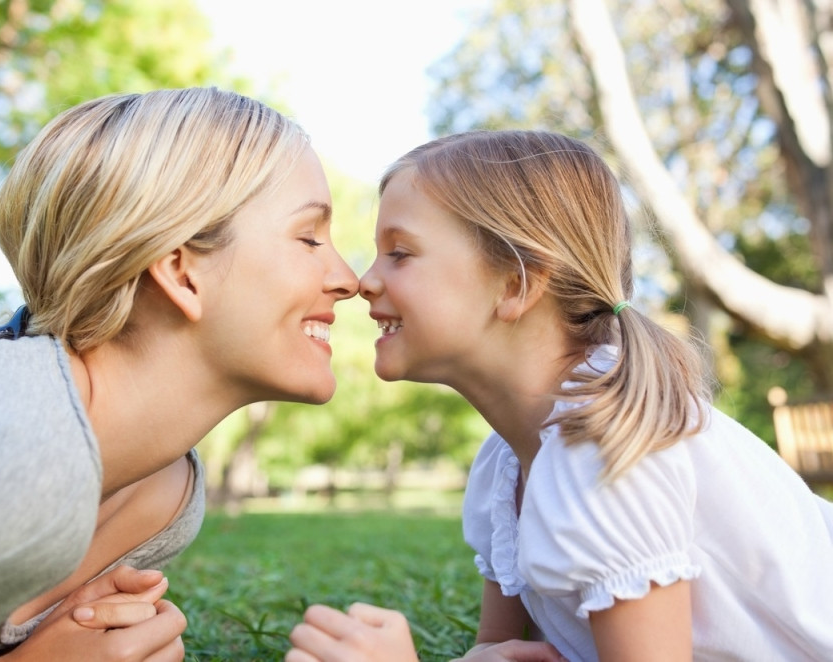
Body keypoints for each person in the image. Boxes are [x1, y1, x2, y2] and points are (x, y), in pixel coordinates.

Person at [0, 87, 359, 662]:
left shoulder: (163, 496)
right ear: (181, 272)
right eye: (309, 237)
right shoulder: (8, 463)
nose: (347, 278)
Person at [286, 130, 833, 662]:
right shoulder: (508, 463)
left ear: (517, 284)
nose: (364, 281)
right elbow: (500, 652)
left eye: (400, 253)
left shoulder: (607, 452)